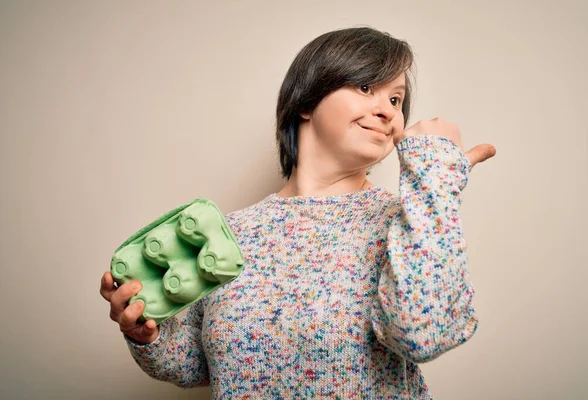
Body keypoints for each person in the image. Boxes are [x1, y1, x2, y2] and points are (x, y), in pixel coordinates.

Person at [99, 26, 496, 399]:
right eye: (364, 87)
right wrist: (145, 335)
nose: (389, 111)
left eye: (396, 99)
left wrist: (435, 180)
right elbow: (199, 365)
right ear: (306, 102)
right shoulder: (231, 233)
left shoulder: (406, 222)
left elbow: (422, 335)